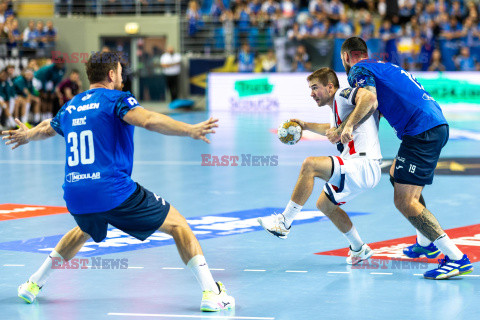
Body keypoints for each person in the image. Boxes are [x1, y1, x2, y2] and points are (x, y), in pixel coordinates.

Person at [2, 51, 235, 311]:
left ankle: (33, 283)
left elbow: (47, 127)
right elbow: (147, 119)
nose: (123, 77)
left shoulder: (71, 105)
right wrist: (189, 129)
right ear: (112, 74)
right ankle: (211, 293)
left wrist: (28, 135)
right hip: (112, 190)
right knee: (179, 225)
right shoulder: (117, 100)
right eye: (121, 72)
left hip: (75, 195)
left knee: (84, 229)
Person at [333, 36, 472, 279]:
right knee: (396, 174)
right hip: (432, 123)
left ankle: (456, 258)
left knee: (404, 201)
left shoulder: (358, 69)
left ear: (345, 57)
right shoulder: (385, 66)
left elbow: (370, 100)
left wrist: (346, 127)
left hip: (421, 131)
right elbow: (379, 107)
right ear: (365, 51)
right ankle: (425, 242)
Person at [258, 67, 382, 265]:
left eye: (315, 87)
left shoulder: (342, 95)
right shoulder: (337, 109)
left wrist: (347, 127)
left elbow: (368, 98)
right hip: (362, 168)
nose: (312, 93)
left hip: (363, 163)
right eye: (310, 88)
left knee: (310, 165)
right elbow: (331, 128)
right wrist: (305, 125)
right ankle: (359, 249)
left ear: (330, 87)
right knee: (324, 204)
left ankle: (284, 222)